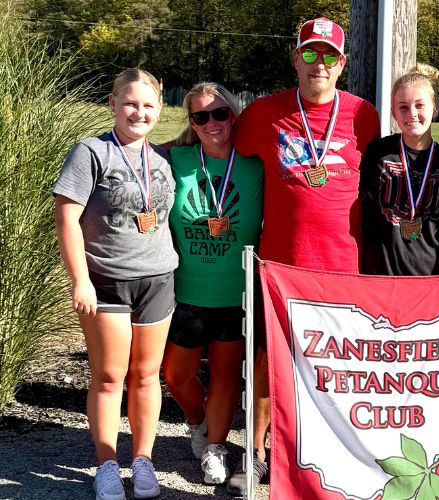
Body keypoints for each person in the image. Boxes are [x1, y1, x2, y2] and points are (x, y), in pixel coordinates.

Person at [227, 17, 380, 495]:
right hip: (281, 264)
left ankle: (331, 455)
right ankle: (254, 451)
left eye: (328, 55)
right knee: (268, 360)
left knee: (339, 365)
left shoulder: (363, 115)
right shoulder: (261, 115)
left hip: (344, 267)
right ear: (294, 58)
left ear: (343, 63)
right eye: (309, 54)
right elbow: (216, 149)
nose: (319, 64)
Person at [54, 68, 177, 500]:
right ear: (112, 104)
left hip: (158, 279)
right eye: (130, 103)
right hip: (106, 280)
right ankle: (106, 464)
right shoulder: (91, 153)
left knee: (146, 376)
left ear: (159, 110)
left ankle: (143, 461)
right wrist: (80, 280)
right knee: (109, 377)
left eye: (148, 105)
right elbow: (67, 217)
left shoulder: (162, 156)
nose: (138, 112)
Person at [160, 82, 264, 485]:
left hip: (237, 293)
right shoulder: (175, 159)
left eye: (219, 113)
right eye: (200, 116)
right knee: (175, 375)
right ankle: (198, 424)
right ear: (191, 122)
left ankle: (217, 448)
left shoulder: (255, 164)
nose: (212, 123)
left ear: (234, 114)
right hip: (187, 292)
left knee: (224, 375)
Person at [360, 64, 439, 276]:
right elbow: (361, 217)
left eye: (420, 105)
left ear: (435, 108)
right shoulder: (377, 154)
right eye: (403, 107)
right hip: (381, 277)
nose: (412, 114)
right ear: (393, 113)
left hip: (431, 278)